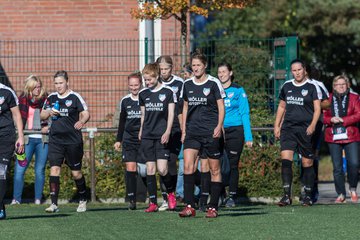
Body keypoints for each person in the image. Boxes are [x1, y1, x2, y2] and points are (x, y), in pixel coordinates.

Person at [179, 49, 226, 218]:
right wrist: (184, 129)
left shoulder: (213, 83)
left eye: (198, 65)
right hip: (192, 132)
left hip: (210, 132)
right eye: (193, 65)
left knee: (214, 169)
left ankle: (213, 207)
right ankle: (189, 206)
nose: (196, 68)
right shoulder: (187, 84)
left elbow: (221, 106)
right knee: (187, 167)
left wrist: (219, 126)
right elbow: (184, 107)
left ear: (205, 66)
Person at [41, 70, 90, 213]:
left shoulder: (75, 97)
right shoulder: (51, 97)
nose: (58, 86)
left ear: (67, 82)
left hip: (73, 141)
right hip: (56, 140)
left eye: (61, 83)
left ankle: (82, 199)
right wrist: (49, 112)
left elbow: (86, 113)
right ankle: (54, 204)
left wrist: (81, 121)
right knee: (54, 169)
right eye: (56, 83)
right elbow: (42, 114)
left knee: (76, 173)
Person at [274, 59, 321, 207]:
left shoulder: (312, 87)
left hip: (305, 129)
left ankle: (307, 195)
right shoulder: (287, 86)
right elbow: (281, 107)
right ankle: (286, 196)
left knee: (307, 162)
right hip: (288, 128)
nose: (297, 73)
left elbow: (318, 109)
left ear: (304, 70)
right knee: (286, 160)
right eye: (294, 70)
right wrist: (277, 126)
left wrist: (313, 125)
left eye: (299, 70)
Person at [138, 63, 176, 212]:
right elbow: (143, 115)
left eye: (149, 80)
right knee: (150, 169)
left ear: (157, 75)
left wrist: (167, 131)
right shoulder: (143, 94)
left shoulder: (168, 92)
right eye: (145, 80)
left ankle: (170, 193)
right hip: (147, 135)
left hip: (162, 135)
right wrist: (141, 130)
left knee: (162, 169)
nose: (147, 83)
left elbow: (171, 114)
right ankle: (153, 202)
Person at [217, 62, 253, 207]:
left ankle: (232, 196)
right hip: (219, 131)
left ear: (230, 73)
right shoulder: (215, 89)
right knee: (217, 164)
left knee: (232, 165)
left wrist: (248, 136)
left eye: (224, 71)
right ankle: (219, 194)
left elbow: (245, 114)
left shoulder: (238, 90)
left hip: (235, 131)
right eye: (219, 72)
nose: (221, 74)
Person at [12, 75, 49, 205]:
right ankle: (16, 199)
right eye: (35, 87)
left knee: (39, 170)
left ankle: (38, 199)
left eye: (39, 86)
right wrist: (20, 136)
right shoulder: (22, 100)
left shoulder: (46, 100)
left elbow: (52, 117)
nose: (38, 89)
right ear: (30, 87)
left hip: (42, 141)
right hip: (26, 140)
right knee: (20, 169)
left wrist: (47, 127)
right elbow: (17, 120)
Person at [323, 75, 360, 203]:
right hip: (333, 136)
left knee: (354, 164)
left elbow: (358, 114)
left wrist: (344, 120)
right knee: (337, 167)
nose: (341, 86)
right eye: (338, 84)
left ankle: (353, 188)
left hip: (351, 135)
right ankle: (341, 194)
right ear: (334, 86)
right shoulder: (327, 98)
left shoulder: (355, 97)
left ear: (347, 85)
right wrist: (331, 120)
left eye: (343, 84)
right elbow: (322, 116)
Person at [155, 55, 183, 211]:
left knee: (173, 163)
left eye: (166, 69)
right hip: (159, 128)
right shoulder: (155, 83)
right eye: (160, 69)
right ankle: (165, 197)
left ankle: (175, 194)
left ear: (171, 68)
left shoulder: (179, 83)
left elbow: (182, 106)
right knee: (162, 165)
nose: (163, 72)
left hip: (176, 129)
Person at [114, 72, 143, 210]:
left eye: (136, 85)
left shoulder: (146, 97)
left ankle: (156, 199)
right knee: (130, 168)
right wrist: (118, 140)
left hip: (144, 139)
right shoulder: (125, 101)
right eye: (131, 85)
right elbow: (122, 122)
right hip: (129, 139)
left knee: (148, 170)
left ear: (141, 84)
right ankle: (132, 199)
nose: (133, 87)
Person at [0, 78, 24, 220]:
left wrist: (20, 137)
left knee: (1, 172)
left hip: (5, 138)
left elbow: (16, 115)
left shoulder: (6, 92)